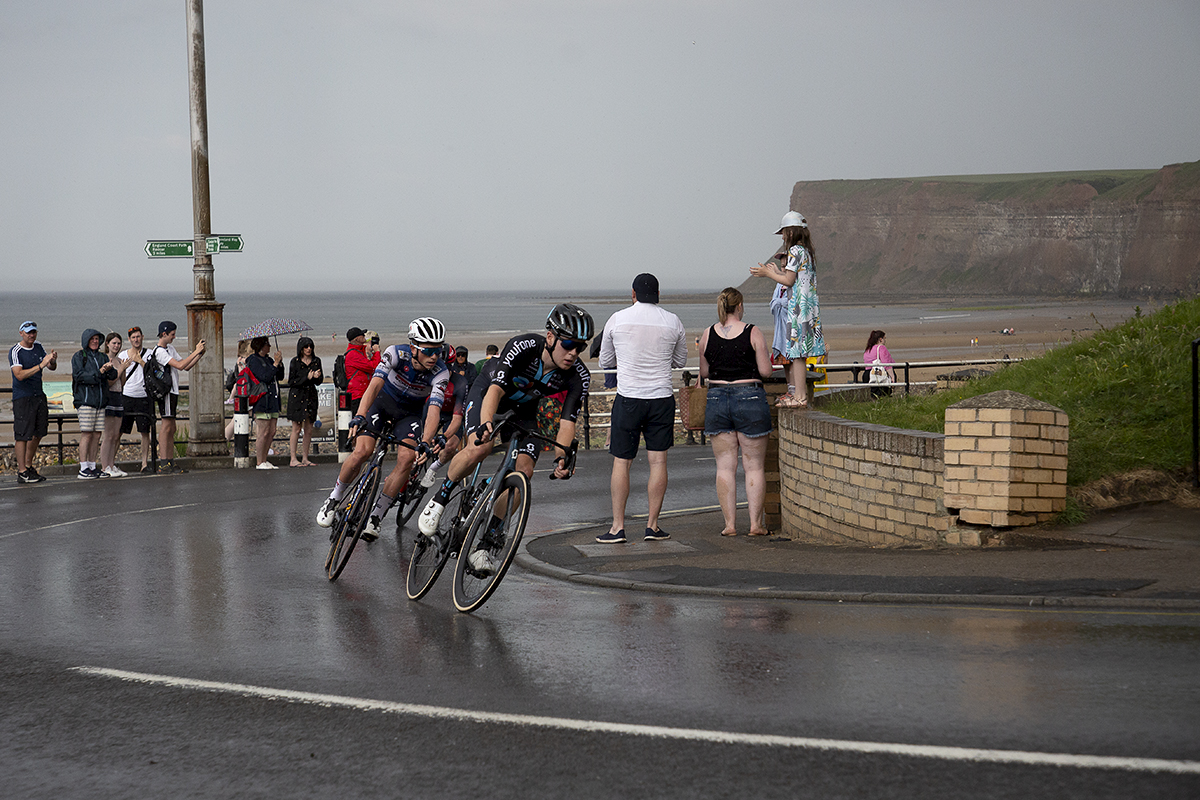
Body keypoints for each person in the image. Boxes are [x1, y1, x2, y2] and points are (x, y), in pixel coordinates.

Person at [417, 304, 593, 575]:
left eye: (579, 348)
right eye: (568, 344)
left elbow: (568, 422)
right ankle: (439, 500)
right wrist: (486, 424)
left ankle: (485, 546)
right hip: (488, 392)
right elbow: (496, 390)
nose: (573, 353)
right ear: (550, 338)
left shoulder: (578, 376)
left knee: (524, 473)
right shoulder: (523, 346)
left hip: (524, 411)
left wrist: (561, 457)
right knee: (480, 446)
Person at [316, 318, 450, 542]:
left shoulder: (441, 372)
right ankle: (334, 498)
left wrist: (426, 442)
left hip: (410, 414)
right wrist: (360, 414)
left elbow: (434, 409)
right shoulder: (395, 353)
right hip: (382, 403)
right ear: (414, 347)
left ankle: (376, 516)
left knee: (407, 458)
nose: (434, 356)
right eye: (429, 351)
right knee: (362, 452)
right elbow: (374, 385)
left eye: (439, 350)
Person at [595, 274, 687, 543]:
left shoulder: (618, 318)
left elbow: (605, 361)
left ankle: (617, 528)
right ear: (658, 294)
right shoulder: (673, 321)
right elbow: (680, 362)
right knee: (658, 461)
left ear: (633, 293)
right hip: (660, 396)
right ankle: (653, 526)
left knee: (622, 462)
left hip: (629, 398)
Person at [699, 288, 774, 536]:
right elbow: (765, 371)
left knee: (724, 467)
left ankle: (730, 525)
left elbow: (706, 372)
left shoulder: (708, 334)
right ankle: (755, 525)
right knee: (753, 467)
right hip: (750, 396)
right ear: (739, 306)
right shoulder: (753, 332)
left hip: (717, 398)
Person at [748, 210, 826, 408]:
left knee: (798, 355)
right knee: (800, 354)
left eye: (783, 232)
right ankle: (799, 395)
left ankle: (799, 397)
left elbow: (789, 280)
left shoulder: (795, 251)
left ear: (790, 232)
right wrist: (775, 272)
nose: (782, 237)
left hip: (799, 308)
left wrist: (768, 273)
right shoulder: (806, 252)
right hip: (808, 308)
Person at [150, 321, 206, 474]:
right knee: (166, 426)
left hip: (173, 391)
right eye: (172, 334)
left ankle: (170, 461)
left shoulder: (170, 349)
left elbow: (185, 365)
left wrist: (199, 355)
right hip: (166, 392)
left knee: (172, 427)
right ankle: (164, 462)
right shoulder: (160, 352)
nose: (174, 337)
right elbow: (179, 366)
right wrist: (195, 351)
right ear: (164, 334)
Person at [8, 321, 56, 484]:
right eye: (28, 332)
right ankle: (21, 471)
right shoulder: (16, 351)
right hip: (23, 397)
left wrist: (52, 361)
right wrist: (41, 365)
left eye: (34, 332)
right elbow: (19, 375)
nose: (31, 335)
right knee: (22, 435)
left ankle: (28, 466)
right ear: (21, 333)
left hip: (38, 395)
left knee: (38, 432)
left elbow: (51, 367)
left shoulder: (38, 346)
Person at [70, 328, 115, 479]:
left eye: (97, 339)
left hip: (100, 402)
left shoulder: (103, 356)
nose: (95, 341)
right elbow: (80, 377)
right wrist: (100, 372)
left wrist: (109, 369)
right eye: (92, 339)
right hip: (86, 400)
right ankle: (83, 467)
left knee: (96, 435)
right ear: (86, 341)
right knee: (87, 434)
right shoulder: (79, 356)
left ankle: (92, 466)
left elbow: (113, 375)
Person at [245, 336, 284, 469]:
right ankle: (259, 461)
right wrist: (274, 364)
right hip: (262, 399)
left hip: (273, 399)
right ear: (261, 346)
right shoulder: (254, 361)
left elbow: (279, 376)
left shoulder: (268, 360)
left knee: (272, 431)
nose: (270, 346)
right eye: (267, 344)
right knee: (263, 431)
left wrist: (279, 363)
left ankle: (265, 459)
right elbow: (265, 377)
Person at [118, 327, 153, 473]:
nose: (136, 340)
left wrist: (141, 362)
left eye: (138, 337)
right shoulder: (123, 354)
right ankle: (110, 463)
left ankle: (144, 463)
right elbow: (118, 375)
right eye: (133, 337)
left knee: (145, 432)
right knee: (119, 431)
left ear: (142, 337)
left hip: (144, 396)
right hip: (127, 395)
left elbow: (153, 372)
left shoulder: (149, 353)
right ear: (129, 339)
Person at [286, 336, 323, 467]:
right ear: (301, 348)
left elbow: (319, 381)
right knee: (296, 428)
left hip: (311, 395)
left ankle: (305, 458)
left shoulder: (316, 361)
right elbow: (291, 382)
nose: (309, 349)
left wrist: (316, 377)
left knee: (309, 428)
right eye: (306, 347)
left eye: (310, 346)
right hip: (297, 396)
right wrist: (306, 377)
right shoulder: (295, 362)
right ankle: (293, 458)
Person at [99, 332, 129, 477]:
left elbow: (121, 383)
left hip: (118, 396)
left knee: (116, 435)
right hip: (109, 398)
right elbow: (109, 382)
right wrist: (121, 369)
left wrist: (123, 369)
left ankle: (111, 464)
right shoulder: (105, 359)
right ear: (107, 344)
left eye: (118, 343)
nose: (116, 346)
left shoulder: (118, 360)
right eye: (114, 343)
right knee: (109, 435)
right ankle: (105, 466)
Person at [343, 326, 381, 414]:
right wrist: (377, 352)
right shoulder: (352, 354)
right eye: (362, 335)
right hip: (357, 395)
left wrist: (369, 349)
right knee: (361, 420)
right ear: (357, 339)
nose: (364, 336)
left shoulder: (360, 351)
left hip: (364, 393)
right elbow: (374, 367)